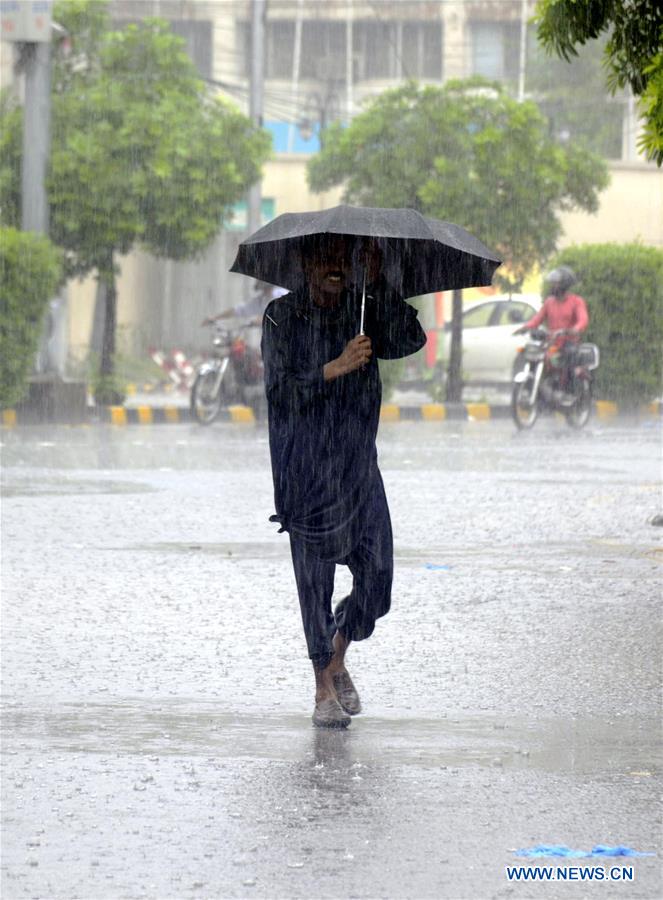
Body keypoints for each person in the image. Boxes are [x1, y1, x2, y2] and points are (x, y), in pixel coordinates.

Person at [261, 234, 426, 728]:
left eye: (346, 261)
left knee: (378, 581)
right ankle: (321, 686)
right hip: (305, 470)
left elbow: (410, 340)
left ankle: (338, 654)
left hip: (358, 468)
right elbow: (278, 391)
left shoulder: (365, 307)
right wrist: (333, 368)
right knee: (314, 584)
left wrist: (378, 281)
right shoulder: (280, 317)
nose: (337, 269)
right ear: (307, 266)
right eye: (327, 261)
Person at [514, 266, 589, 403]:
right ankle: (531, 389)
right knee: (531, 355)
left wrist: (575, 329)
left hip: (568, 342)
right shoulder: (549, 302)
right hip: (551, 343)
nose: (553, 286)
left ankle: (568, 391)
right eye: (552, 283)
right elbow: (537, 319)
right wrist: (525, 328)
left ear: (565, 285)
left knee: (569, 357)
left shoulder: (576, 301)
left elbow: (583, 320)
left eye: (556, 283)